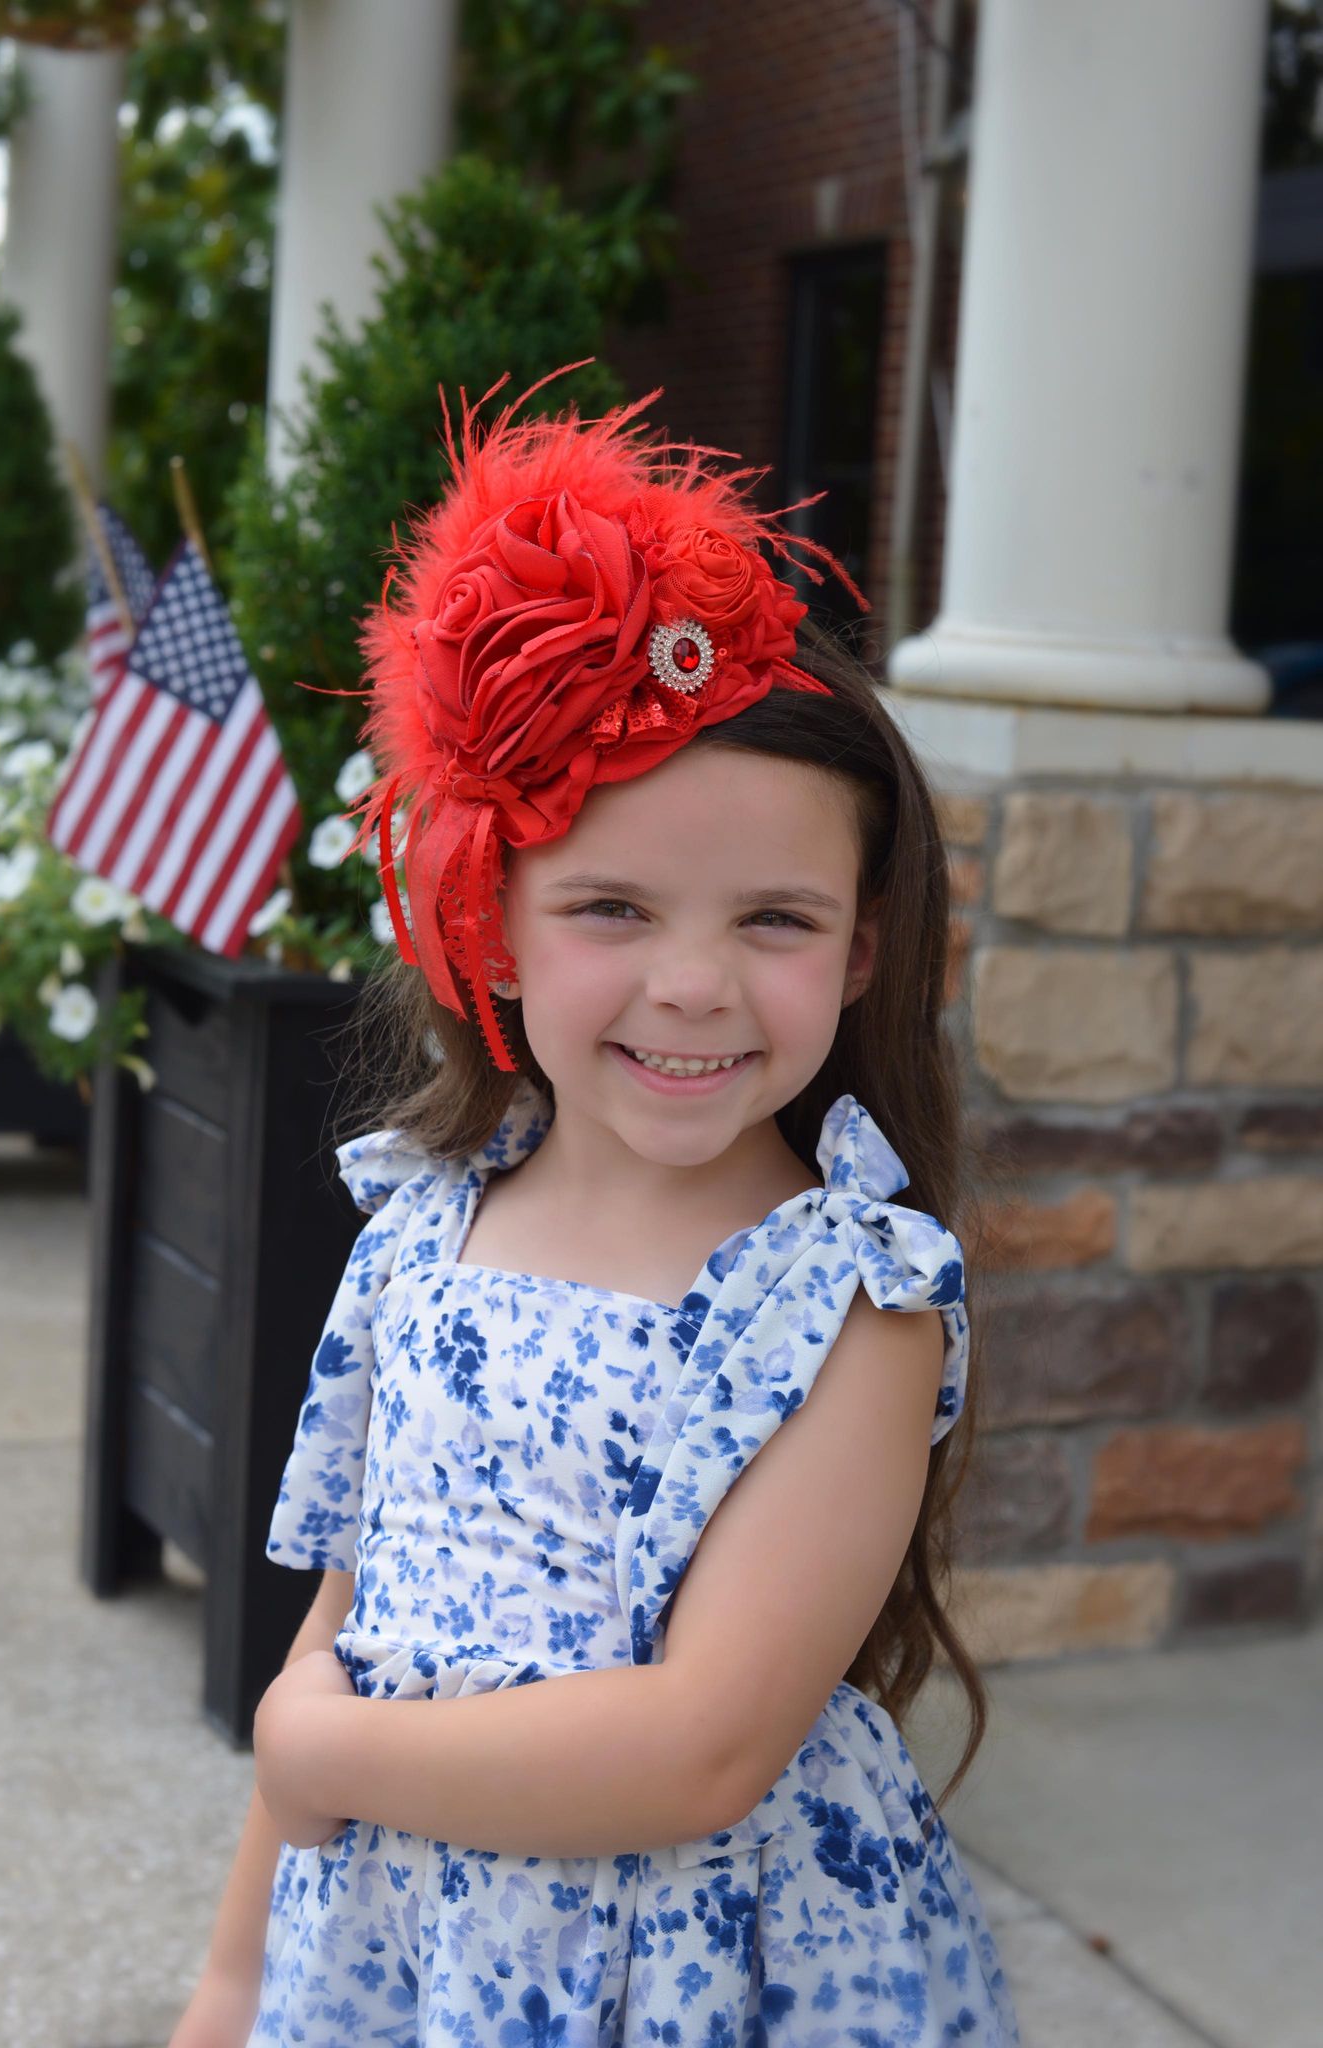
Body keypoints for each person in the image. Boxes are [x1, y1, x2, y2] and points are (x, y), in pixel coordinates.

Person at [170, 375, 1022, 2047]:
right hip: (407, 1952)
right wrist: (234, 1978)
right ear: (491, 926)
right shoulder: (422, 1229)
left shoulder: (856, 1304)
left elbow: (702, 1746)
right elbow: (355, 1617)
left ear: (858, 952)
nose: (692, 986)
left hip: (699, 1972)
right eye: (612, 907)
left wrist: (324, 1751)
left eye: (774, 918)